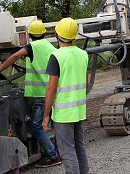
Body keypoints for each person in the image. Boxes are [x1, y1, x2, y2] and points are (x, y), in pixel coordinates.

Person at [0, 20, 61, 168]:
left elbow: (15, 56)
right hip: (53, 92)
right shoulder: (50, 46)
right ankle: (58, 151)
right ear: (45, 34)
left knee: (36, 126)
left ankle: (53, 155)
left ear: (29, 35)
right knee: (54, 124)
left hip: (41, 95)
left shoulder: (32, 47)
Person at [43, 18, 89, 174]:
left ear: (56, 34)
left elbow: (51, 88)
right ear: (74, 35)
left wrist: (46, 115)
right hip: (79, 110)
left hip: (63, 114)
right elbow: (86, 83)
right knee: (79, 147)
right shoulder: (83, 54)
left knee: (67, 152)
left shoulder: (56, 56)